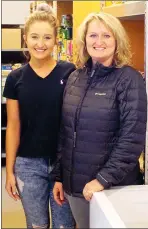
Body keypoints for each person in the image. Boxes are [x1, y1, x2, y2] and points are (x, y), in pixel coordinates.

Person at [52, 12, 147, 228]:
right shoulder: (76, 77)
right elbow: (65, 132)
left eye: (106, 36)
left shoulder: (129, 80)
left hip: (111, 188)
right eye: (93, 35)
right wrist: (59, 176)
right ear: (84, 40)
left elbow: (132, 138)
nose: (99, 42)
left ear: (117, 41)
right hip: (76, 188)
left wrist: (103, 179)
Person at [3, 4, 76, 229]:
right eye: (34, 37)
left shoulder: (69, 71)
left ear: (56, 40)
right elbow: (14, 126)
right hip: (28, 165)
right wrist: (9, 171)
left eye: (47, 37)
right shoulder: (15, 79)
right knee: (36, 225)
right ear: (26, 38)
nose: (40, 43)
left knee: (64, 225)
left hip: (63, 164)